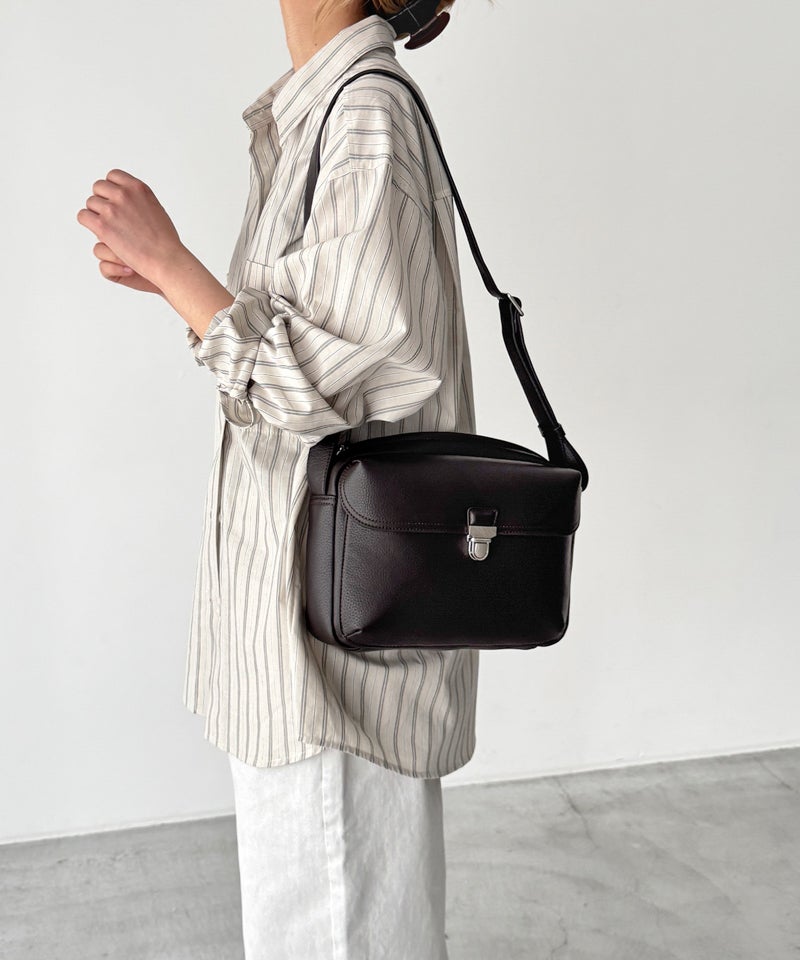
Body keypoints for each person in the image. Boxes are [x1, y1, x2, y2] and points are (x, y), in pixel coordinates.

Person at [77, 0, 484, 956]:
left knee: (333, 925)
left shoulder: (365, 114)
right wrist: (179, 288)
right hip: (302, 629)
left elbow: (312, 386)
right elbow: (311, 361)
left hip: (332, 655)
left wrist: (176, 265)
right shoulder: (323, 110)